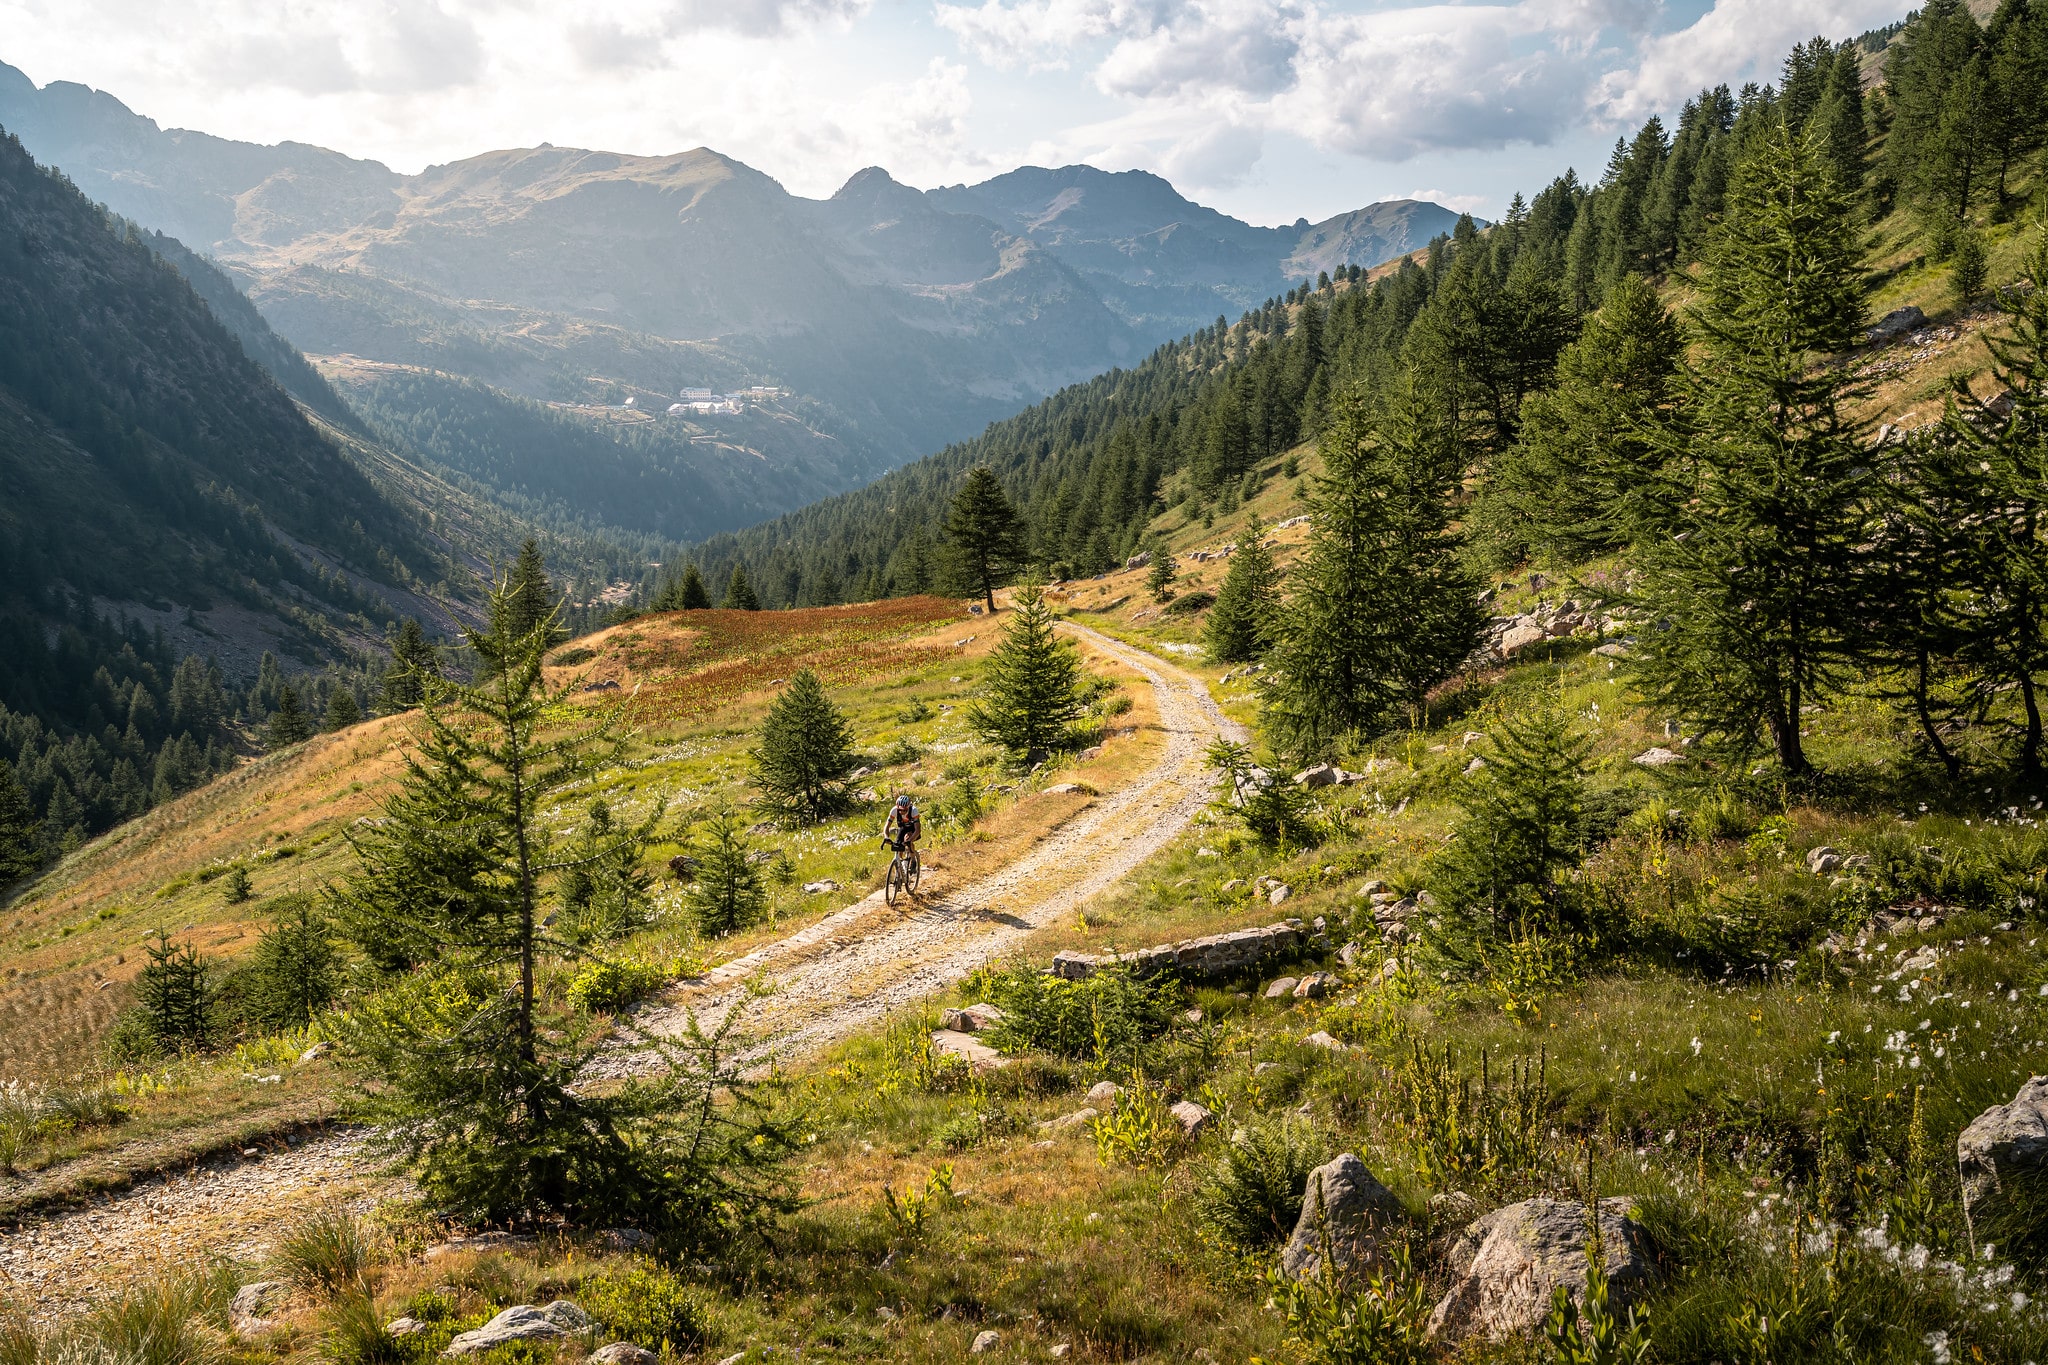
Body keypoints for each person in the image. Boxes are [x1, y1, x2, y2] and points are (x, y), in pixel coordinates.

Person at [882, 793, 921, 857]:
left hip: (913, 829)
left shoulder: (914, 810)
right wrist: (886, 837)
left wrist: (910, 840)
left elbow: (917, 830)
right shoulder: (894, 810)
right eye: (900, 810)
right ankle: (900, 862)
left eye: (904, 810)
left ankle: (913, 859)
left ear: (908, 807)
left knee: (907, 839)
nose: (902, 812)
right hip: (903, 828)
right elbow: (887, 826)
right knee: (898, 845)